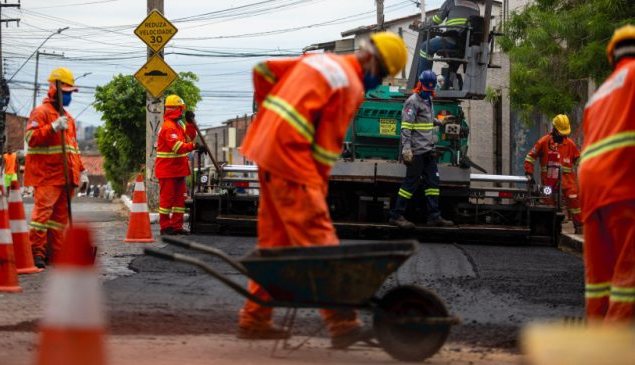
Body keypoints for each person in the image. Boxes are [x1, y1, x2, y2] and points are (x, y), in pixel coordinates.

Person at [239, 32, 407, 348]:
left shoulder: (320, 60)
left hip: (266, 151)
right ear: (373, 60)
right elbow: (327, 150)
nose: (379, 79)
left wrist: (268, 118)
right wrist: (316, 190)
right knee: (320, 241)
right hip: (292, 162)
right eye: (382, 73)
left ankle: (255, 319)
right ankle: (343, 323)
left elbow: (262, 70)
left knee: (275, 244)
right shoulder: (351, 86)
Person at [579, 24, 635, 323]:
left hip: (593, 192)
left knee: (601, 280)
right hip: (625, 184)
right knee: (630, 281)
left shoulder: (598, 95)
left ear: (612, 56)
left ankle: (597, 338)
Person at [24, 67, 88, 269]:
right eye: (66, 92)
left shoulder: (68, 119)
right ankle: (36, 252)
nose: (69, 96)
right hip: (46, 176)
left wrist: (82, 171)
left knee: (58, 220)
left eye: (70, 93)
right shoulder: (41, 113)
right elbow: (30, 138)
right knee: (42, 217)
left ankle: (54, 252)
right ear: (54, 90)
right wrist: (51, 128)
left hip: (66, 177)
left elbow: (73, 148)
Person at [389, 70, 454, 229]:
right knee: (410, 184)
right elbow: (406, 128)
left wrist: (441, 122)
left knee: (433, 182)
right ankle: (396, 216)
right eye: (426, 90)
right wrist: (406, 150)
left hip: (428, 151)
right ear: (420, 86)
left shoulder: (429, 99)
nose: (428, 93)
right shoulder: (412, 102)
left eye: (430, 91)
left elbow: (427, 121)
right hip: (416, 152)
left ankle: (434, 216)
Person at [524, 114, 582, 234]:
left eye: (565, 133)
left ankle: (579, 225)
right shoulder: (543, 142)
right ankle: (549, 228)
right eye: (561, 133)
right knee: (548, 205)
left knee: (574, 199)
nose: (563, 136)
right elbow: (530, 157)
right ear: (554, 130)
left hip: (568, 182)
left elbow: (580, 160)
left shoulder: (570, 144)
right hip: (549, 182)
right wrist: (529, 174)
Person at [155, 95, 202, 235]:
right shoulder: (168, 127)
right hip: (168, 171)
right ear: (176, 109)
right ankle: (165, 227)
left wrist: (190, 124)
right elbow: (178, 147)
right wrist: (194, 146)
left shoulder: (178, 125)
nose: (182, 112)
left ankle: (176, 226)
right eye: (181, 109)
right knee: (167, 201)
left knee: (179, 200)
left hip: (178, 170)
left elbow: (189, 138)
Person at [417, 0, 480, 74]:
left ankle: (425, 82)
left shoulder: (451, 2)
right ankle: (448, 83)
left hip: (452, 41)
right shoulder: (476, 6)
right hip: (468, 45)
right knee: (452, 69)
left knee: (424, 48)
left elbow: (436, 20)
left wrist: (420, 25)